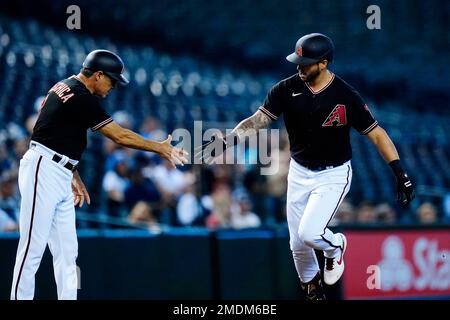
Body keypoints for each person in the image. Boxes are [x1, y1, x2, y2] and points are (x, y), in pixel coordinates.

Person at [197, 33, 415, 300]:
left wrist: (399, 170)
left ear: (324, 63)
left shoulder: (345, 95)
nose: (299, 66)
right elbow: (257, 121)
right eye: (298, 60)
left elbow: (376, 133)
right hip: (299, 171)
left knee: (310, 233)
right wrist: (226, 142)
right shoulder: (285, 89)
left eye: (306, 62)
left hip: (333, 173)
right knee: (297, 244)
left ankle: (336, 247)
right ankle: (313, 290)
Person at [10, 49, 188, 300]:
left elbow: (52, 132)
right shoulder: (81, 97)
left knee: (67, 252)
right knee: (31, 249)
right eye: (112, 80)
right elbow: (119, 135)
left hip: (56, 169)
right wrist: (160, 147)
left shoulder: (66, 86)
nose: (113, 86)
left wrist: (71, 171)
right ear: (98, 74)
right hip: (43, 168)